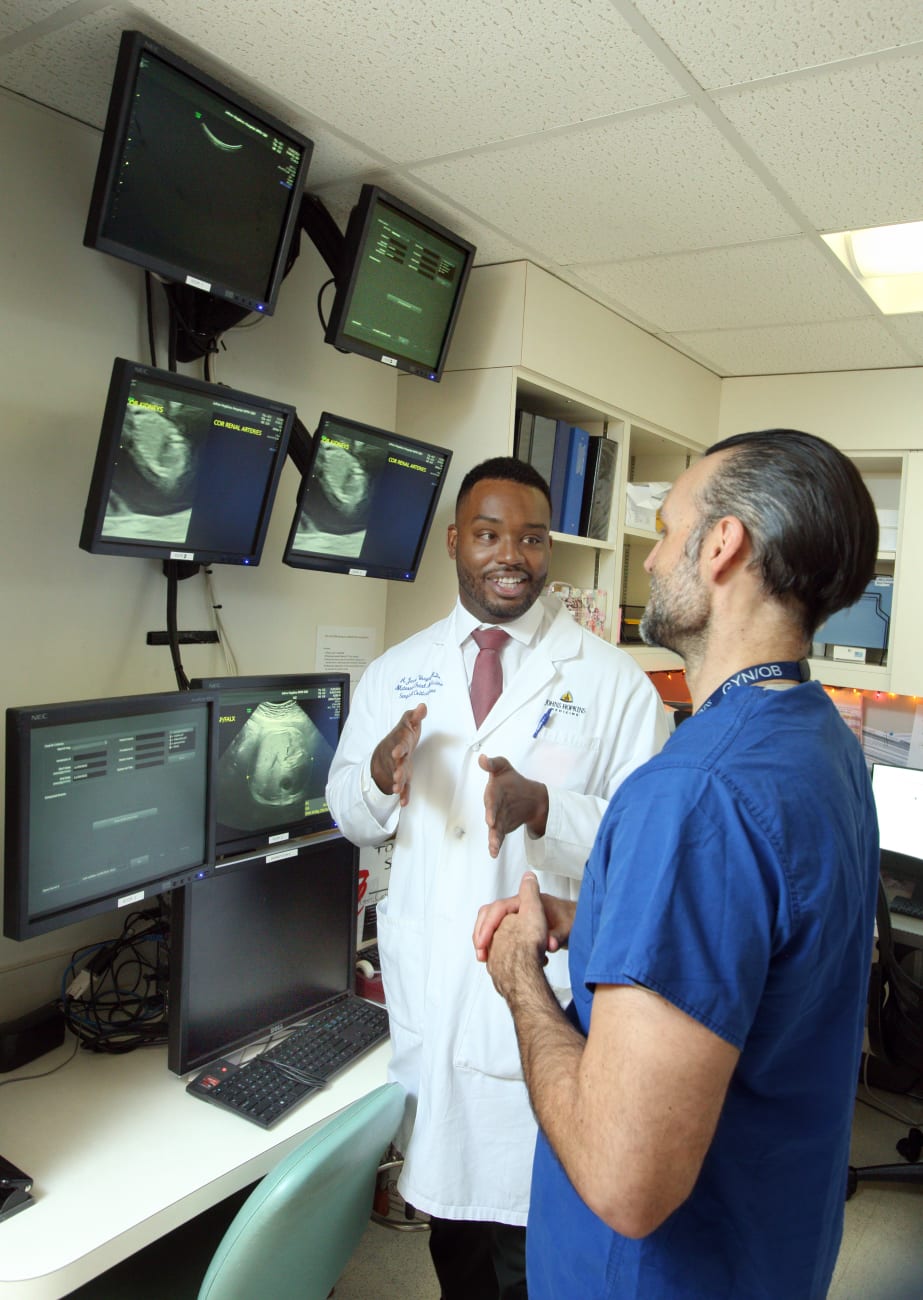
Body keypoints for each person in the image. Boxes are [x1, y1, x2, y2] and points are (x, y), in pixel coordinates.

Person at [474, 429, 882, 1299]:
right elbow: (766, 955)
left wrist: (520, 979)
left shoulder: (693, 792)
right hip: (771, 1251)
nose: (653, 558)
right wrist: (595, 922)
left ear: (723, 544)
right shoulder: (820, 741)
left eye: (665, 529)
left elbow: (627, 1183)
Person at [326, 455, 669, 1299]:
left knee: (537, 1241)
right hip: (433, 993)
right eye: (487, 534)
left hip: (542, 999)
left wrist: (545, 805)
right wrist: (376, 775)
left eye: (529, 536)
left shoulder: (613, 683)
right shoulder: (396, 673)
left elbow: (650, 849)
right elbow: (347, 811)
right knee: (456, 1241)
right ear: (455, 542)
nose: (509, 553)